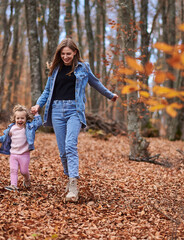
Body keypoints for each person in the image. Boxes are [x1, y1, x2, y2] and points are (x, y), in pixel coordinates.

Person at [31, 38, 118, 202]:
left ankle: (73, 185)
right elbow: (47, 90)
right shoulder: (55, 69)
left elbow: (96, 83)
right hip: (56, 110)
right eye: (62, 54)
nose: (65, 57)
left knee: (71, 145)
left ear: (75, 52)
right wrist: (37, 105)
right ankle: (68, 176)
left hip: (74, 110)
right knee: (63, 151)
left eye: (68, 54)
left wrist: (110, 95)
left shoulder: (83, 68)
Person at [0, 104, 42, 191]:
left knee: (24, 171)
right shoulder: (12, 129)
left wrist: (36, 114)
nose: (20, 120)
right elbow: (5, 137)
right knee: (13, 170)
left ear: (26, 119)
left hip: (24, 154)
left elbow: (38, 123)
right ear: (14, 119)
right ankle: (13, 185)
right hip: (13, 154)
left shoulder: (29, 127)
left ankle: (27, 179)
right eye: (18, 118)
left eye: (22, 118)